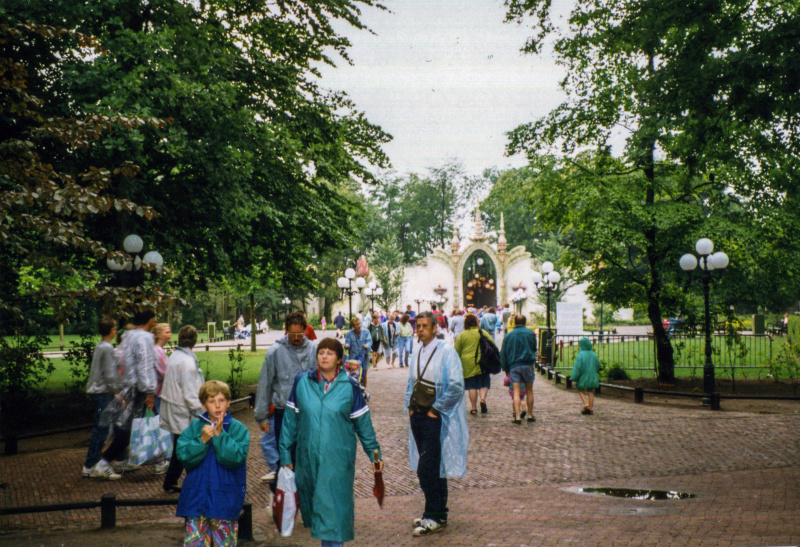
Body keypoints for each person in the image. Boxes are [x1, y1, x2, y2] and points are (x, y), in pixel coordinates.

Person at [280, 338, 382, 547]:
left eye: (330, 353)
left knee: (334, 512)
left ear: (339, 359)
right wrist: (285, 455)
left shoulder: (350, 386)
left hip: (337, 459)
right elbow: (290, 422)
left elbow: (363, 425)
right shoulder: (302, 383)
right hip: (307, 457)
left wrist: (375, 455)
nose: (324, 356)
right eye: (321, 352)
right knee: (318, 511)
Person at [405, 311, 468, 537]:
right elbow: (411, 382)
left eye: (424, 326)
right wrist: (410, 407)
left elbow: (456, 385)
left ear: (434, 328)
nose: (420, 329)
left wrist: (436, 409)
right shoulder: (417, 351)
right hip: (418, 414)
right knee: (434, 466)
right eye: (418, 326)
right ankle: (437, 513)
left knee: (427, 467)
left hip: (434, 416)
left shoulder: (447, 351)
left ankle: (433, 515)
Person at [175, 380, 249, 546]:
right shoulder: (195, 427)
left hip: (224, 501)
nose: (217, 406)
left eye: (221, 400)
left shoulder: (239, 429)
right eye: (211, 401)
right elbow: (183, 456)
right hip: (196, 500)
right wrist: (202, 439)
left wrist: (220, 435)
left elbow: (235, 458)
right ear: (203, 405)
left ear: (229, 402)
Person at [92, 310, 158, 480]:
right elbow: (144, 365)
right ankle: (103, 463)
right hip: (137, 391)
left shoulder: (129, 336)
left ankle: (109, 461)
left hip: (128, 388)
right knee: (128, 430)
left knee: (126, 428)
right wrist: (149, 390)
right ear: (150, 321)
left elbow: (121, 360)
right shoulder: (144, 338)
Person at [254, 311, 317, 489]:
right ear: (286, 331)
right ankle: (280, 497)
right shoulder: (275, 351)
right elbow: (264, 384)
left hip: (308, 413)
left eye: (299, 334)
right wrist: (263, 417)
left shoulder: (314, 349)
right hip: (284, 413)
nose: (296, 338)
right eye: (292, 334)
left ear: (305, 330)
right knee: (285, 458)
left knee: (307, 455)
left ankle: (305, 496)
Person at [160, 325, 205, 493]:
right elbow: (190, 392)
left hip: (175, 408)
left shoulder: (175, 356)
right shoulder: (187, 362)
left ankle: (171, 481)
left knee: (181, 447)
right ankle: (195, 481)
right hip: (182, 412)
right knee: (188, 449)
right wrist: (200, 412)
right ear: (194, 341)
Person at [82, 317, 120, 479]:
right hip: (103, 393)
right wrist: (116, 392)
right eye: (115, 327)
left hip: (100, 392)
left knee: (102, 428)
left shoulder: (101, 346)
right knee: (101, 429)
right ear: (112, 330)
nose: (116, 330)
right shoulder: (106, 348)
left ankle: (93, 464)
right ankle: (90, 465)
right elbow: (110, 375)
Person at [500, 314, 537, 424]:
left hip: (514, 365)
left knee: (516, 392)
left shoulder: (509, 336)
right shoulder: (530, 333)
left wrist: (505, 368)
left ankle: (517, 417)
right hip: (527, 365)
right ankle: (530, 415)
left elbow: (503, 353)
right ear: (525, 322)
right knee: (529, 391)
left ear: (514, 322)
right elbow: (534, 348)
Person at [454, 313, 491, 415]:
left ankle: (474, 408)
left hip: (467, 363)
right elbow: (492, 345)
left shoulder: (462, 335)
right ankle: (482, 399)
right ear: (476, 323)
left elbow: (456, 350)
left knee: (472, 386)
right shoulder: (483, 332)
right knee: (483, 383)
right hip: (482, 362)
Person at [151, 322, 172, 475]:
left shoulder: (158, 350)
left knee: (163, 425)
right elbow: (165, 373)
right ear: (158, 334)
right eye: (166, 331)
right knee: (163, 425)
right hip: (159, 393)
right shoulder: (157, 351)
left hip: (159, 393)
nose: (169, 334)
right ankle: (161, 460)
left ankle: (164, 458)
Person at [571, 337, 601, 415]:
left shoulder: (580, 355)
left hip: (583, 376)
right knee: (590, 392)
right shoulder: (593, 354)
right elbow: (598, 364)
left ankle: (586, 405)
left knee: (580, 390)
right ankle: (591, 408)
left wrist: (574, 377)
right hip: (592, 375)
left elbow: (577, 367)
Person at [345, 316, 373, 387]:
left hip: (364, 356)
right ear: (353, 326)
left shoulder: (366, 332)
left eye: (360, 324)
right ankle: (355, 389)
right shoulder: (349, 334)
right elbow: (347, 342)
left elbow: (369, 341)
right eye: (357, 325)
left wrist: (366, 345)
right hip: (353, 357)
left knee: (363, 374)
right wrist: (346, 345)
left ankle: (363, 390)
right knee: (354, 374)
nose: (359, 326)